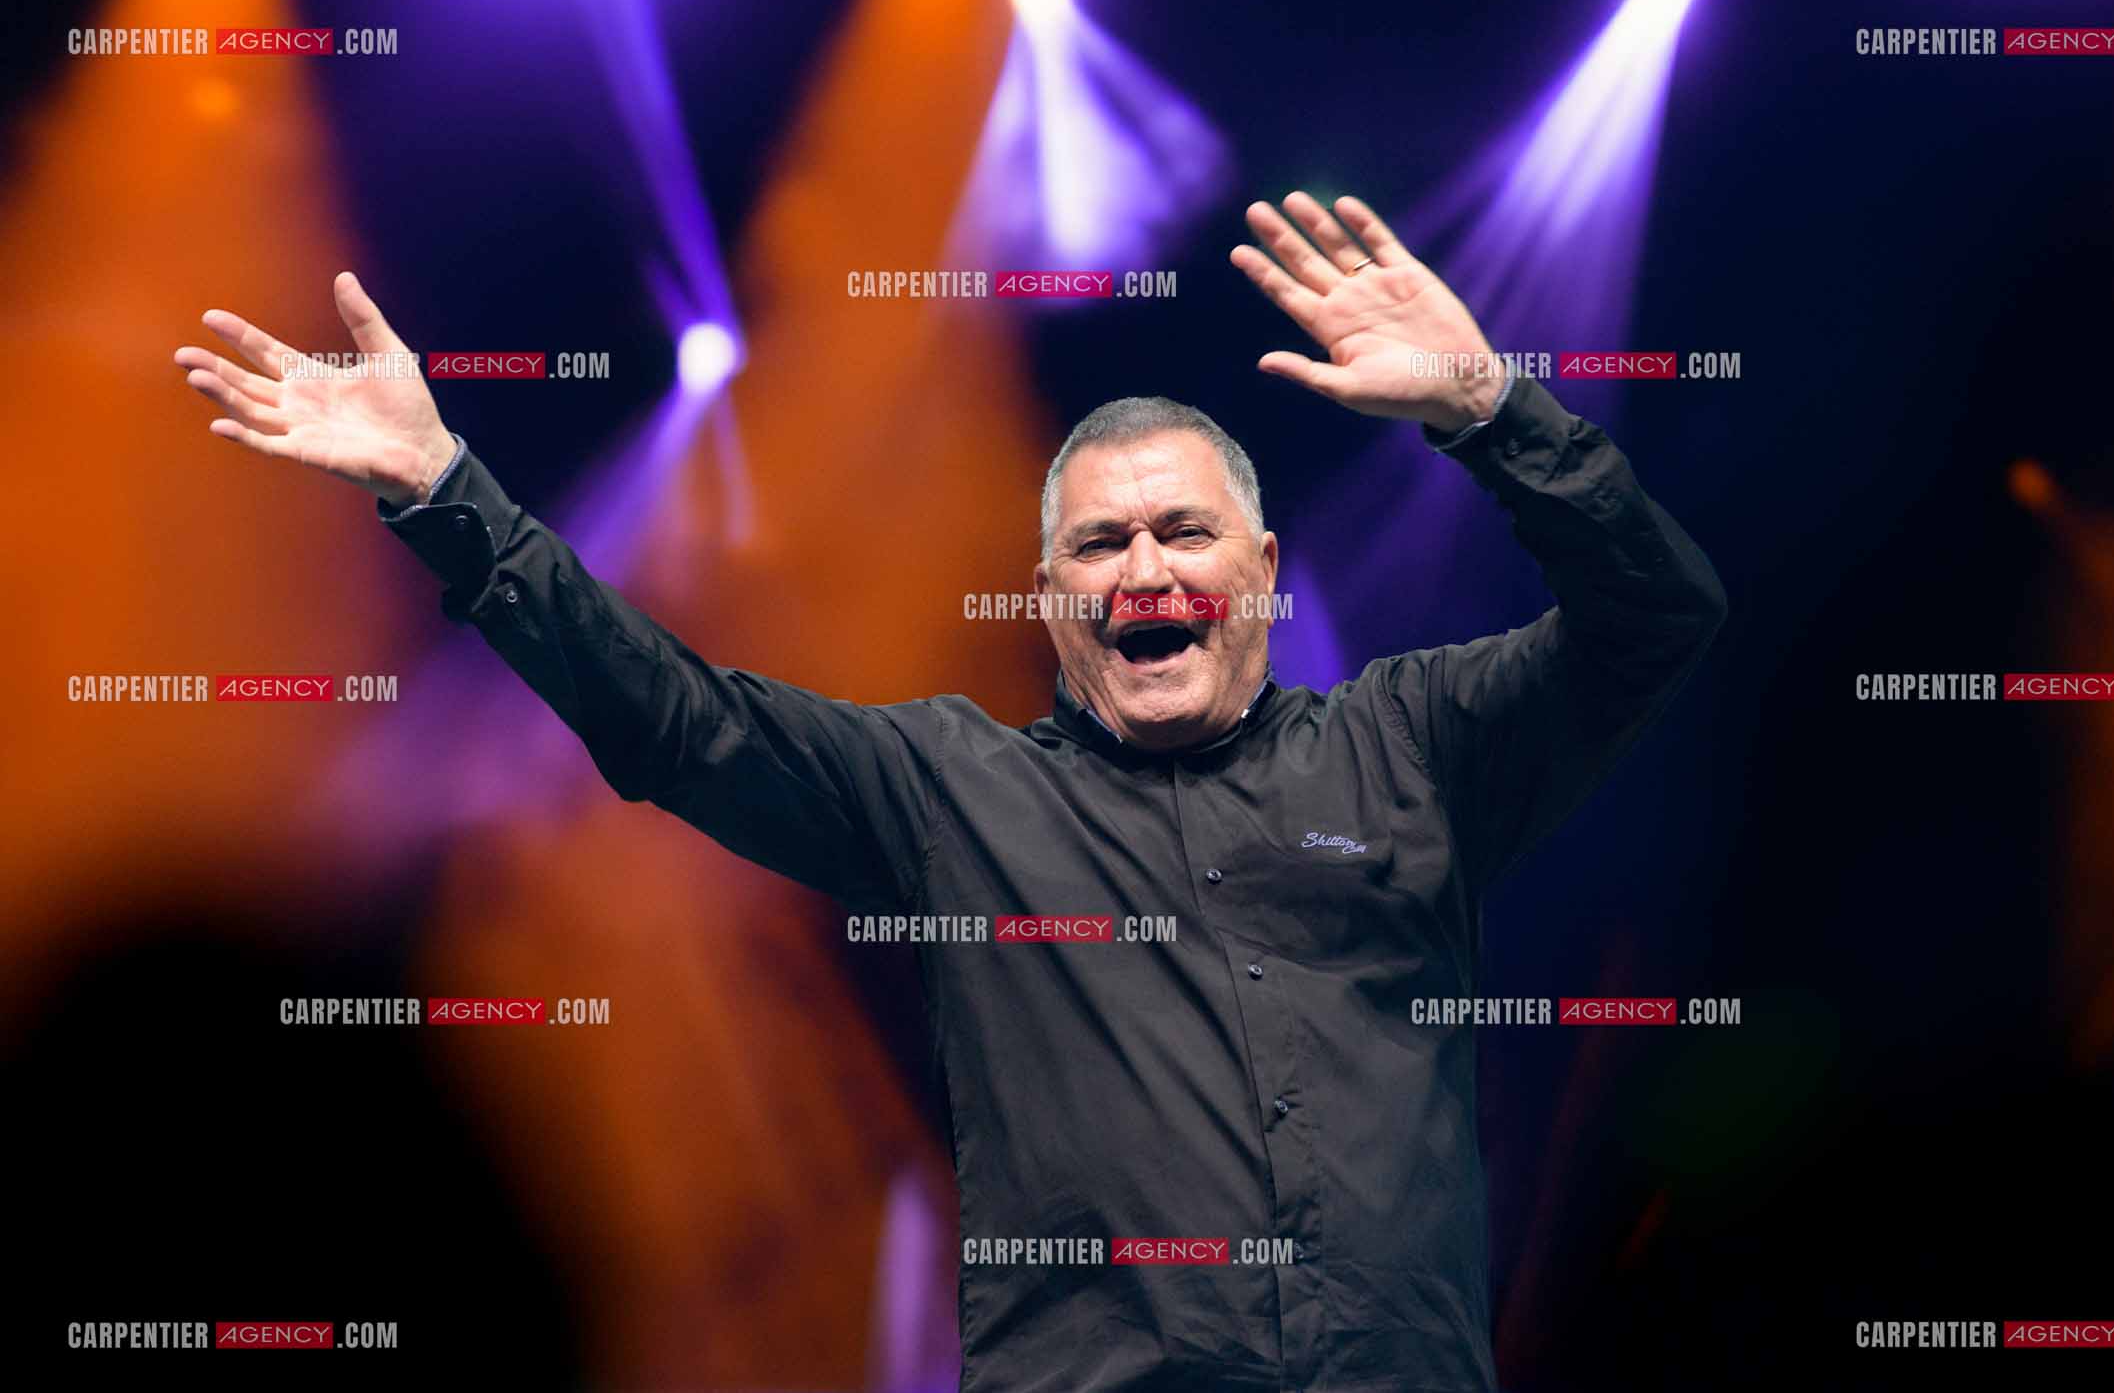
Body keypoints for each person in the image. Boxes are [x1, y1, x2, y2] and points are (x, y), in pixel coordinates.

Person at [173, 192, 1726, 1391]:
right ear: (1046, 597)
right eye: (1098, 548)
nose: (1144, 573)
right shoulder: (946, 791)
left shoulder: (1419, 747)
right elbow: (669, 719)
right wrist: (451, 497)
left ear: (1259, 573)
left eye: (1182, 534)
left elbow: (1657, 615)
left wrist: (1488, 407)